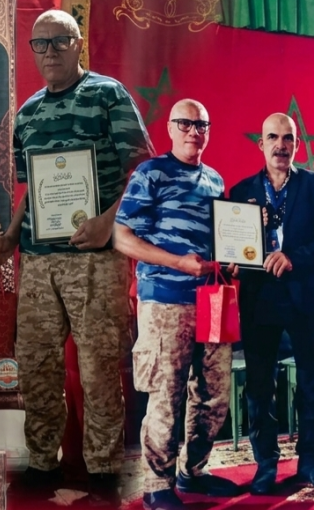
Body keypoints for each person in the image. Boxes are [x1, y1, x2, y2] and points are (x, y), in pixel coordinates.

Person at [0, 9, 154, 502]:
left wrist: (109, 223)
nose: (50, 51)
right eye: (41, 43)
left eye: (60, 40)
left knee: (99, 367)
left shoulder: (107, 95)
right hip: (38, 261)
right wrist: (10, 237)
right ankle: (43, 460)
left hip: (95, 260)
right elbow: (33, 191)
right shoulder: (28, 113)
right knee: (35, 366)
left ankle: (102, 468)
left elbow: (144, 172)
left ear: (78, 44)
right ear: (32, 51)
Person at [114, 99, 238, 510]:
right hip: (166, 301)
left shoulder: (215, 180)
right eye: (185, 123)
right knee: (166, 396)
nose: (193, 131)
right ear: (169, 128)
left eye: (201, 125)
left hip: (213, 300)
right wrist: (178, 263)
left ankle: (193, 472)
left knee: (214, 395)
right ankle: (157, 485)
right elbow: (121, 238)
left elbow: (222, 239)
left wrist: (233, 258)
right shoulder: (151, 173)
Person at [227, 113, 314, 493]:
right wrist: (231, 261)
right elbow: (231, 246)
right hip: (259, 298)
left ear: (296, 144)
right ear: (261, 144)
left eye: (288, 137)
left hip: (305, 295)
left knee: (312, 382)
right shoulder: (241, 191)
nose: (281, 145)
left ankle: (310, 460)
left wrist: (293, 257)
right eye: (273, 137)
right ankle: (266, 464)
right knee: (260, 386)